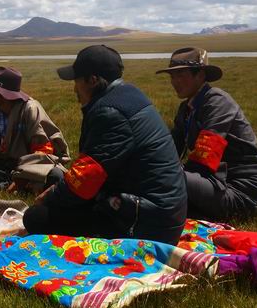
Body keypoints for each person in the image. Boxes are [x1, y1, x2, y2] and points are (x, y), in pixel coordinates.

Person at [23, 45, 187, 245]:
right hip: (158, 213)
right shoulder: (128, 94)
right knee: (59, 187)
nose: (75, 88)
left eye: (77, 81)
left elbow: (86, 180)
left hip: (149, 227)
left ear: (92, 80)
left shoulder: (109, 113)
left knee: (36, 217)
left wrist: (49, 198)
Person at [157, 47, 257, 221]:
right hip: (218, 180)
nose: (175, 82)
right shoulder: (186, 109)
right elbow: (171, 149)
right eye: (172, 76)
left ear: (201, 75)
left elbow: (204, 159)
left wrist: (171, 174)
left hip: (241, 186)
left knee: (166, 179)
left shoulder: (217, 101)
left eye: (181, 75)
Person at [0, 66, 69, 190]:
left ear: (2, 95)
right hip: (11, 163)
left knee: (56, 176)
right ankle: (19, 183)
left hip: (36, 164)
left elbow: (43, 152)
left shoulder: (30, 109)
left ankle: (15, 182)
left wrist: (23, 176)